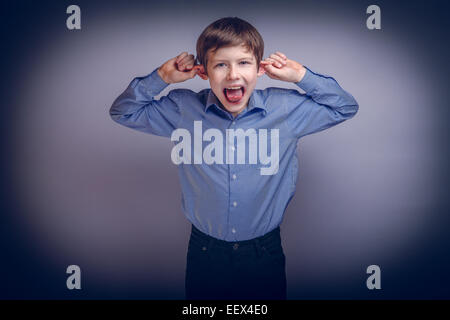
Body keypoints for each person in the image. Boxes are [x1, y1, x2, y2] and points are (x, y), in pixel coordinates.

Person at [110, 17, 358, 300]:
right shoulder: (183, 110)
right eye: (220, 65)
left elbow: (345, 107)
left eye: (243, 63)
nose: (232, 75)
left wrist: (301, 76)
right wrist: (161, 78)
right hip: (206, 252)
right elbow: (123, 112)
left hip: (263, 252)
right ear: (204, 73)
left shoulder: (285, 109)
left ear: (259, 68)